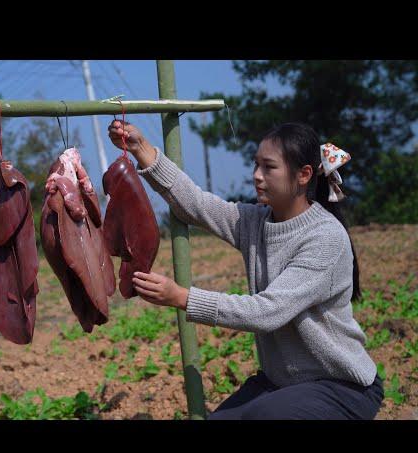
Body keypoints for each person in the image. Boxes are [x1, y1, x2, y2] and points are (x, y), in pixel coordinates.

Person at [107, 119, 384, 420]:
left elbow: (266, 311)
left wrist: (182, 297)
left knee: (265, 416)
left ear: (304, 175)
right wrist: (141, 148)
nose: (257, 176)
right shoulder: (254, 222)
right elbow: (195, 204)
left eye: (269, 167)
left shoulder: (324, 238)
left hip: (340, 387)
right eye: (256, 165)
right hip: (283, 384)